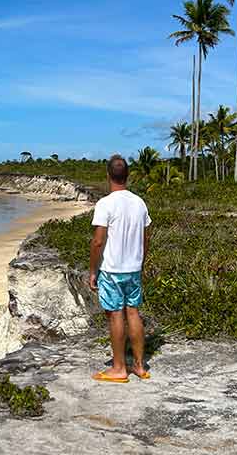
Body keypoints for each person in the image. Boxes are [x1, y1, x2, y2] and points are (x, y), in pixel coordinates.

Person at [89, 154, 152, 383]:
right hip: (133, 268)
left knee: (116, 315)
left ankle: (118, 368)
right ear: (128, 176)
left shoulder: (105, 203)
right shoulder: (139, 202)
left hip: (113, 269)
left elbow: (97, 241)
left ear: (108, 175)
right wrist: (140, 261)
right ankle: (138, 365)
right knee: (133, 312)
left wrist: (93, 270)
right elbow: (146, 238)